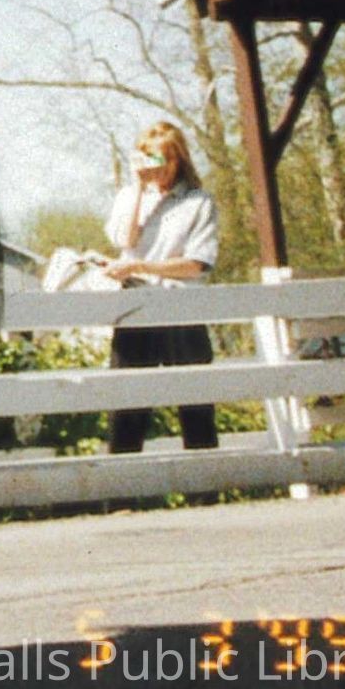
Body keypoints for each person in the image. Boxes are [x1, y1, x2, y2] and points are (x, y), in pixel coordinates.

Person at [103, 123, 223, 454]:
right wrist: (139, 189)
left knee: (195, 405)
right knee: (127, 406)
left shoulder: (199, 202)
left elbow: (196, 263)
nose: (160, 167)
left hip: (181, 308)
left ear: (179, 159)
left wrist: (140, 266)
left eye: (167, 159)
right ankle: (123, 484)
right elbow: (124, 241)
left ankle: (206, 481)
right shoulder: (129, 197)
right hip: (135, 307)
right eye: (153, 158)